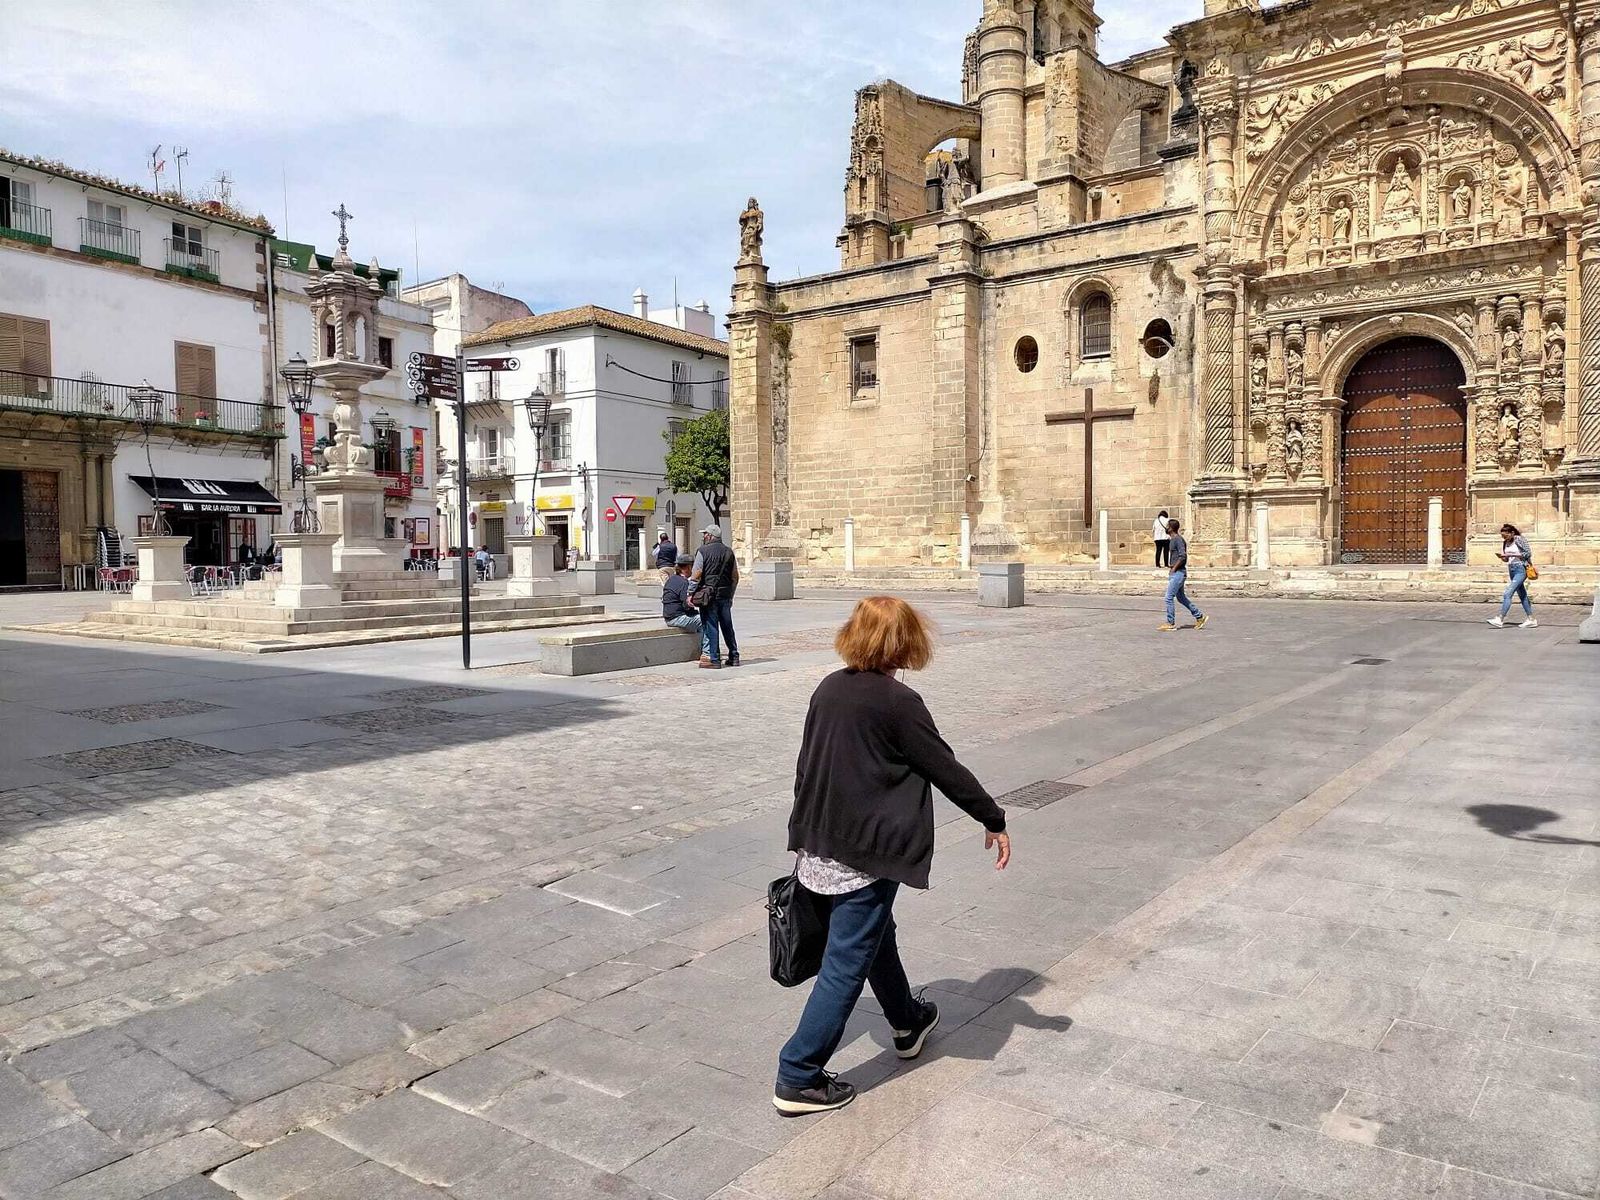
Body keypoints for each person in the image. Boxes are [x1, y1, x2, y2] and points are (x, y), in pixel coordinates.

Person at [774, 596, 1011, 1116]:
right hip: (865, 853)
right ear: (904, 644)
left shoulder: (829, 687)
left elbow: (806, 764)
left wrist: (803, 830)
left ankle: (907, 1021)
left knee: (875, 937)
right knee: (844, 965)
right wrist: (993, 818)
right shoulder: (898, 703)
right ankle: (798, 1074)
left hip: (821, 842)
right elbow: (942, 767)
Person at [689, 523, 740, 668]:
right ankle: (734, 656)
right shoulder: (729, 552)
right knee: (727, 626)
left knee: (711, 626)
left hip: (708, 595)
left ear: (711, 536)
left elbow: (696, 575)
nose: (703, 536)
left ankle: (714, 659)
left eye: (705, 534)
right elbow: (735, 577)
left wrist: (690, 593)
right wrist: (731, 595)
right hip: (724, 595)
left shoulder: (702, 551)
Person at [1158, 518, 1207, 632]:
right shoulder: (1172, 540)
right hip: (1177, 572)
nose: (1166, 528)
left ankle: (1170, 623)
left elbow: (1183, 555)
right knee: (1180, 598)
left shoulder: (1178, 540)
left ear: (1171, 528)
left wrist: (1174, 568)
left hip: (1178, 573)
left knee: (1169, 597)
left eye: (1167, 526)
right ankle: (1199, 616)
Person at [1488, 523, 1537, 628]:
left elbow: (1528, 553)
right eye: (1502, 536)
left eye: (1505, 535)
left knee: (1507, 593)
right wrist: (1503, 557)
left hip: (1521, 569)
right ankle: (1531, 619)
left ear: (1512, 533)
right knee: (1522, 595)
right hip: (1512, 569)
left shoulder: (1519, 539)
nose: (1504, 538)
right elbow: (1507, 559)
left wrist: (1511, 554)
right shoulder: (1505, 542)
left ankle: (1500, 618)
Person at [661, 553, 701, 635]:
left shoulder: (671, 579)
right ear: (689, 567)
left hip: (669, 616)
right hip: (676, 618)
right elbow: (686, 605)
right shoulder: (683, 583)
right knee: (705, 620)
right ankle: (707, 647)